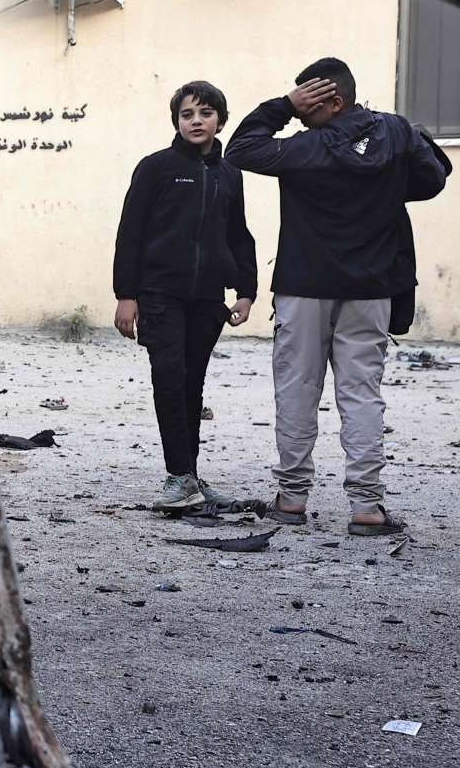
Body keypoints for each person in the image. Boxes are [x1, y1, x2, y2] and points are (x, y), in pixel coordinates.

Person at [225, 58, 449, 536]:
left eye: (308, 103)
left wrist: (282, 107)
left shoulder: (305, 147)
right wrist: (384, 189)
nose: (302, 112)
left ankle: (290, 499)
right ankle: (367, 507)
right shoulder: (396, 133)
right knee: (362, 394)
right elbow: (433, 178)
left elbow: (240, 148)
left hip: (304, 286)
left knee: (297, 389)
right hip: (370, 289)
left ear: (334, 102)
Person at [111, 81, 257, 511]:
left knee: (192, 385)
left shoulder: (230, 174)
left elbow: (238, 235)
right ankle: (178, 479)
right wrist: (126, 295)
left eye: (206, 113)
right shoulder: (156, 167)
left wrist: (246, 291)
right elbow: (130, 232)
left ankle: (189, 476)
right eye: (188, 114)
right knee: (169, 379)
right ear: (176, 120)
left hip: (207, 300)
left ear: (220, 120)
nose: (197, 121)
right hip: (159, 296)